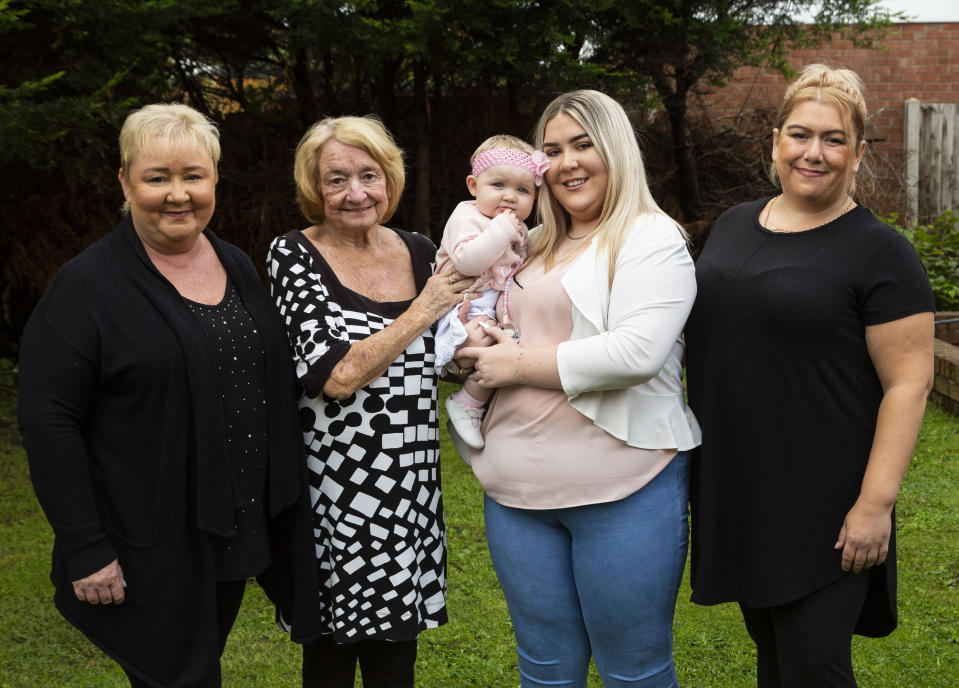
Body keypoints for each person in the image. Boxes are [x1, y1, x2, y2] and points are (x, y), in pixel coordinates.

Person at [17, 103, 304, 687]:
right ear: (125, 182)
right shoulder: (87, 285)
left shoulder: (235, 264)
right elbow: (48, 421)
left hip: (228, 525)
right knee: (176, 675)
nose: (178, 195)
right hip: (148, 537)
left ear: (214, 180)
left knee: (199, 667)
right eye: (157, 178)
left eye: (193, 176)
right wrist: (85, 547)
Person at [685, 64, 935, 687]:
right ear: (775, 141)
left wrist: (874, 506)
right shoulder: (736, 224)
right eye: (800, 134)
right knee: (773, 653)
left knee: (813, 665)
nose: (812, 153)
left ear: (855, 151)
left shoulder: (882, 252)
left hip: (826, 500)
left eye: (832, 139)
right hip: (739, 486)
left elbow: (910, 383)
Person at [456, 90, 700, 687]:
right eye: (553, 150)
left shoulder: (650, 238)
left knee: (633, 673)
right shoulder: (528, 244)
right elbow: (481, 312)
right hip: (515, 493)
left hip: (623, 489)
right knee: (544, 670)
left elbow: (635, 351)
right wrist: (466, 350)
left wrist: (512, 365)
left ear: (615, 149)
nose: (568, 163)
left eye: (584, 145)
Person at [266, 115, 470, 688]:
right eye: (336, 179)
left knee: (395, 657)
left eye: (368, 175)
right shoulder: (293, 256)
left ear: (390, 180)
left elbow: (439, 356)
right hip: (338, 493)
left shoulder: (419, 249)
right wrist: (425, 307)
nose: (355, 192)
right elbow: (334, 375)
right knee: (332, 654)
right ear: (314, 188)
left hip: (408, 483)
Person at [434, 134, 548, 453]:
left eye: (522, 190)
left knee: (507, 351)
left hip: (491, 303)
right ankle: (467, 403)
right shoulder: (466, 215)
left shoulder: (520, 229)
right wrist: (502, 230)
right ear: (474, 186)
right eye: (498, 185)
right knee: (487, 349)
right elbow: (468, 261)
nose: (510, 197)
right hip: (460, 302)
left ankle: (472, 407)